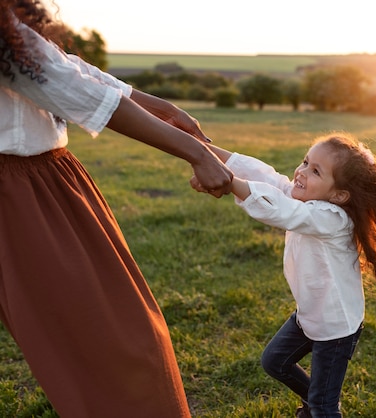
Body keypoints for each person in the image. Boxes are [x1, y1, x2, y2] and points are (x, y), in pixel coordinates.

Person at [0, 1, 233, 417]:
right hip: (22, 195)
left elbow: (63, 66)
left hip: (36, 184)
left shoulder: (9, 28)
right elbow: (70, 86)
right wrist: (195, 153)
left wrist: (158, 105)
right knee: (120, 342)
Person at [191, 133, 376, 417]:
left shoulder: (332, 218)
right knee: (275, 362)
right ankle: (316, 399)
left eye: (315, 171)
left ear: (338, 195)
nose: (301, 172)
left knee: (325, 409)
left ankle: (321, 404)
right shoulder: (305, 198)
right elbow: (268, 177)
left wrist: (230, 183)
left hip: (335, 329)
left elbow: (283, 210)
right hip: (310, 315)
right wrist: (206, 152)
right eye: (305, 161)